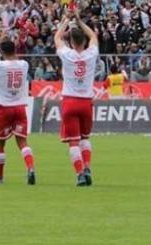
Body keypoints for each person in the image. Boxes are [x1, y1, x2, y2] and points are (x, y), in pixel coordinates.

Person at [54, 10, 100, 187]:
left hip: (70, 101)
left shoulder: (66, 54)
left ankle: (80, 174)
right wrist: (79, 21)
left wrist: (66, 19)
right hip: (86, 101)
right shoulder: (91, 54)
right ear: (84, 41)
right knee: (85, 138)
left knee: (73, 141)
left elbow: (57, 37)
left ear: (71, 42)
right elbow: (93, 35)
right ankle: (87, 167)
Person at [0, 35, 36, 185]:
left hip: (4, 108)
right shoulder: (23, 64)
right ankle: (31, 168)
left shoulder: (0, 66)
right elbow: (15, 57)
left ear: (2, 51)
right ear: (15, 50)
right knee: (22, 142)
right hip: (20, 107)